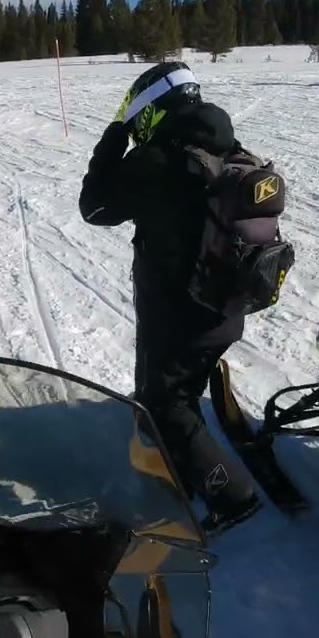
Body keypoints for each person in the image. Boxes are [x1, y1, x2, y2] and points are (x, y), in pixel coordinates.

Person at [78, 61, 281, 531]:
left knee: (163, 401)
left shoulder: (157, 161)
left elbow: (95, 206)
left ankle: (232, 497)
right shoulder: (230, 149)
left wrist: (113, 136)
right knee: (178, 388)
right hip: (225, 306)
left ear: (147, 111)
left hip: (179, 310)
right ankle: (177, 446)